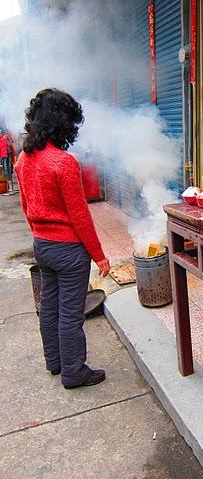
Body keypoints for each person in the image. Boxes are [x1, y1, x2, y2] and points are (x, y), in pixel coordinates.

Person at [15, 88, 110, 389]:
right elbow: (80, 217)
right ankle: (74, 372)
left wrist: (39, 234)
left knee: (49, 307)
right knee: (70, 314)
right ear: (63, 124)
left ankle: (54, 363)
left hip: (42, 246)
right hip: (69, 252)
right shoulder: (63, 163)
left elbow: (26, 206)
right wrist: (99, 256)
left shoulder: (23, 159)